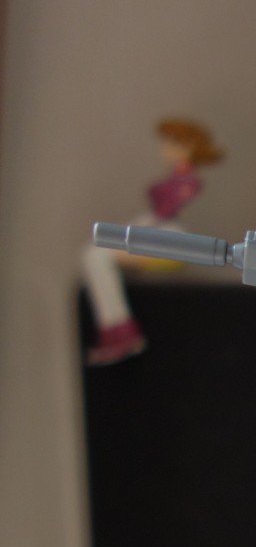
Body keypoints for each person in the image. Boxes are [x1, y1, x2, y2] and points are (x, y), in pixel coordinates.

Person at [82, 118, 224, 364]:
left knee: (96, 256)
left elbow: (163, 213)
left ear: (189, 145)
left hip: (169, 241)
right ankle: (115, 329)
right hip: (155, 232)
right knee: (93, 255)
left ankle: (121, 331)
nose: (165, 148)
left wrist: (134, 229)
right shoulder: (175, 178)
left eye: (173, 142)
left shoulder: (188, 182)